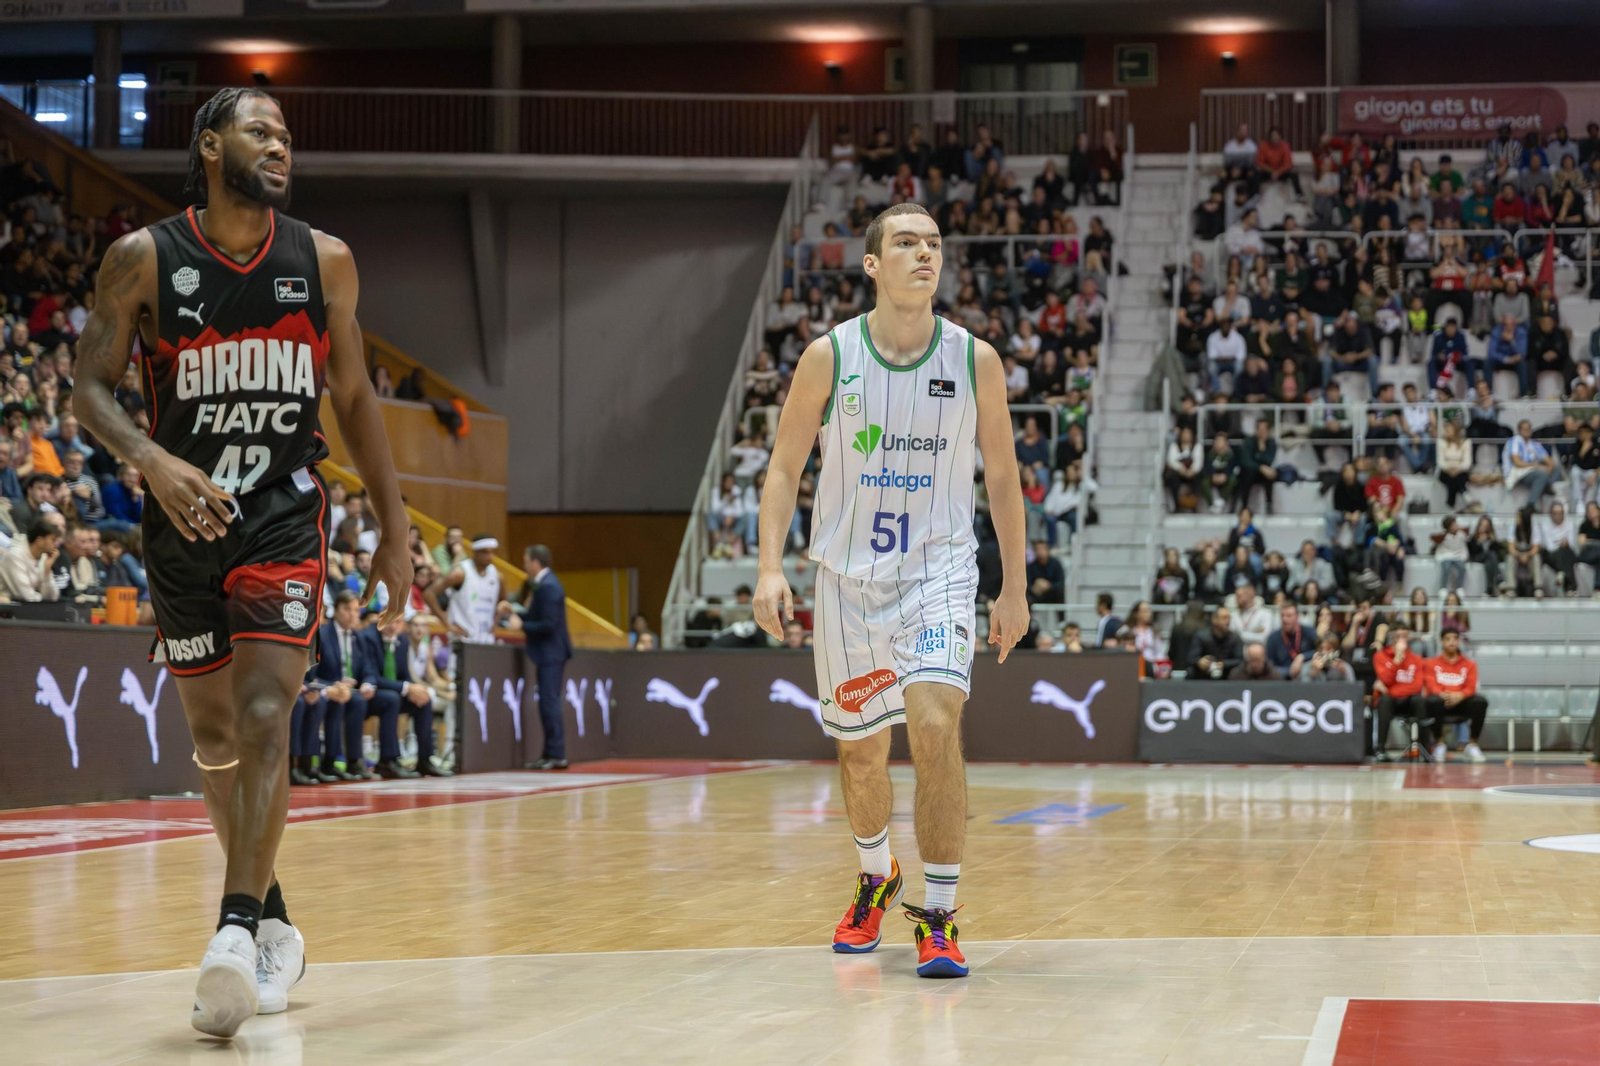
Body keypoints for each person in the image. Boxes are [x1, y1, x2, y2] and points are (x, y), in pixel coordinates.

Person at [70, 87, 411, 1036]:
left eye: (286, 136)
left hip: (282, 514)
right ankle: (274, 925)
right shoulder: (143, 258)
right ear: (210, 145)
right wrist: (150, 458)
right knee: (217, 742)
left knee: (267, 714)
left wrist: (394, 527)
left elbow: (354, 396)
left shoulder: (324, 260)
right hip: (180, 523)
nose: (280, 145)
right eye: (260, 131)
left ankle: (230, 931)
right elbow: (88, 391)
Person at [751, 202, 1027, 979]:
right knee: (862, 755)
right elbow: (784, 469)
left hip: (939, 572)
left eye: (934, 243)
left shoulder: (974, 359)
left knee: (936, 724)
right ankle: (877, 875)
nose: (925, 253)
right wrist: (769, 566)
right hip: (847, 581)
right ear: (872, 263)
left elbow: (1004, 478)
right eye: (906, 242)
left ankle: (938, 914)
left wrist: (1014, 586)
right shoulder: (828, 357)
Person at [358, 614, 448, 777]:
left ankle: (425, 760)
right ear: (381, 618)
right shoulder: (368, 637)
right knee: (392, 699)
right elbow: (372, 676)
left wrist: (414, 689)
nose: (393, 626)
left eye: (398, 622)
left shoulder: (402, 640)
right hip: (369, 693)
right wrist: (406, 687)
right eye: (390, 620)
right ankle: (387, 761)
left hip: (393, 692)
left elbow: (404, 674)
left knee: (424, 699)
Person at [515, 544, 574, 770]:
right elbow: (536, 616)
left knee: (550, 702)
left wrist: (521, 625)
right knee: (547, 702)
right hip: (550, 653)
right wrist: (516, 613)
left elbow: (548, 624)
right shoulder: (546, 584)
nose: (524, 566)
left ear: (535, 563)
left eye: (526, 562)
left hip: (551, 652)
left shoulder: (548, 586)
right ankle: (550, 752)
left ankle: (557, 753)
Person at [1423, 629, 1487, 762]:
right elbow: (1430, 684)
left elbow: (1471, 687)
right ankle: (1440, 744)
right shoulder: (1431, 663)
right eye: (1448, 639)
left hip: (1461, 703)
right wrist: (1442, 694)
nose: (1452, 642)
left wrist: (1460, 695)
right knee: (1432, 701)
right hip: (1441, 703)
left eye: (1455, 639)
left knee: (1480, 701)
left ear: (1459, 641)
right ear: (1441, 642)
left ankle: (1472, 745)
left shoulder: (1470, 664)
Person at [424, 533, 502, 643]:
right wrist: (446, 622)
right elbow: (428, 593)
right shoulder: (460, 573)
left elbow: (501, 603)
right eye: (485, 552)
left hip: (487, 640)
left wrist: (496, 620)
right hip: (462, 639)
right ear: (475, 551)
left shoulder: (497, 575)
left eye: (492, 552)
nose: (490, 556)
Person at [1371, 630, 1427, 761]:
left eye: (1404, 636)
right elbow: (1385, 679)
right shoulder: (1380, 656)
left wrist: (1390, 690)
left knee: (1419, 700)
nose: (1401, 639)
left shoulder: (1417, 659)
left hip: (1409, 701)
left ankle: (1424, 748)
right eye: (1397, 636)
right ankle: (1380, 749)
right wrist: (1396, 660)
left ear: (1409, 638)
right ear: (1391, 638)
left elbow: (1417, 686)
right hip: (1390, 702)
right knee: (1384, 700)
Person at [0, 517, 61, 601]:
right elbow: (26, 596)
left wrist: (47, 571)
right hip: (8, 605)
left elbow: (53, 597)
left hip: (32, 606)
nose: (56, 544)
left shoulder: (43, 558)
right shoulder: (15, 556)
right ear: (39, 541)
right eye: (53, 540)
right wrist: (44, 601)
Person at [1189, 605, 1244, 679]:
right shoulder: (1201, 636)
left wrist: (1224, 664)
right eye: (1224, 618)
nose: (1228, 621)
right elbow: (1191, 658)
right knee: (1191, 671)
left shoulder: (1235, 638)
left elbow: (1240, 660)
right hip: (1204, 674)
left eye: (1229, 618)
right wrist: (1199, 662)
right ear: (1214, 620)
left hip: (1227, 673)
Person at [1265, 601, 1317, 678]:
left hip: (1304, 673)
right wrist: (1289, 672)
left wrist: (1302, 657)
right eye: (1282, 616)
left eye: (1289, 616)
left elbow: (1318, 651)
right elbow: (1269, 664)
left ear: (1297, 617)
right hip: (1281, 676)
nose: (1285, 619)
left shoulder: (1308, 632)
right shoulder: (1273, 638)